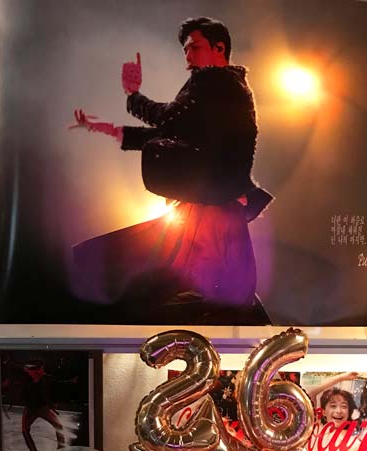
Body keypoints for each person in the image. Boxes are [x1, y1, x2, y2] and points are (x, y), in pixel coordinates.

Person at [71, 17, 272, 324]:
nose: (187, 55)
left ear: (219, 48)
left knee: (130, 271)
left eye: (195, 47)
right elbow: (172, 131)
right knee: (219, 292)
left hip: (213, 211)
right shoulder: (225, 89)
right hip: (209, 209)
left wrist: (133, 96)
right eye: (185, 50)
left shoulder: (214, 81)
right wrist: (105, 129)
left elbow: (166, 119)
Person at [20, 361, 65, 451]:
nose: (42, 371)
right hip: (30, 410)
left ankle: (61, 450)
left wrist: (51, 405)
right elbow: (24, 395)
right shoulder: (26, 381)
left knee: (59, 426)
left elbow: (55, 385)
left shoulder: (45, 379)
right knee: (25, 430)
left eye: (41, 369)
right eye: (40, 370)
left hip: (43, 408)